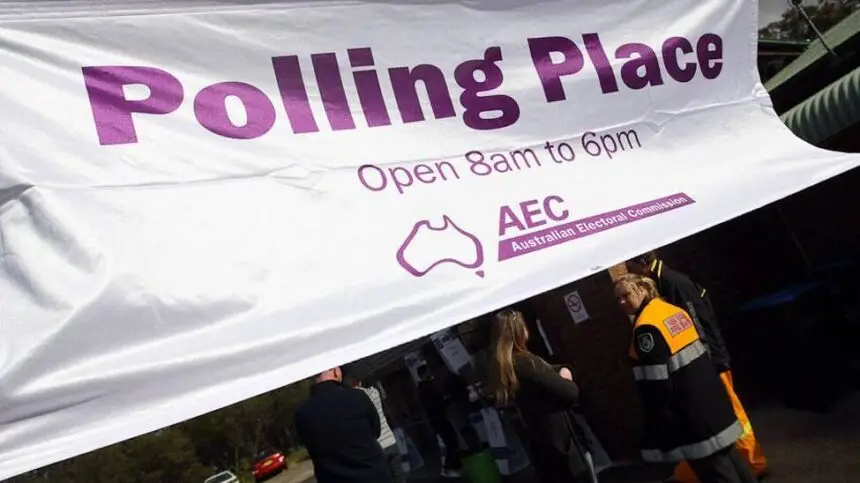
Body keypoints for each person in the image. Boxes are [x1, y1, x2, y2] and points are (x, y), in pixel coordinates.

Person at [626, 252, 769, 481]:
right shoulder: (665, 282)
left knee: (733, 419)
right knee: (722, 430)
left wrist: (706, 365)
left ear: (642, 264)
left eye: (630, 266)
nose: (628, 270)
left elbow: (696, 323)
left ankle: (754, 462)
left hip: (708, 363)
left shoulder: (673, 283)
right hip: (703, 365)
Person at [486, 308, 596, 483]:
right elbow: (569, 393)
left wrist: (559, 369)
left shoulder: (505, 367)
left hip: (540, 440)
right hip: (559, 442)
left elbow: (547, 374)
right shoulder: (527, 363)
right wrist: (565, 374)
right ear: (519, 330)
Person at [295, 367, 394, 483]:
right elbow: (376, 431)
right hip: (373, 474)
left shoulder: (302, 413)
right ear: (335, 371)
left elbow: (307, 446)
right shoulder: (357, 396)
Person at [343, 372, 406, 483]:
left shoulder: (351, 403)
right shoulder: (374, 392)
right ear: (359, 383)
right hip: (390, 441)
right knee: (399, 476)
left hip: (376, 448)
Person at [416, 364, 465, 478]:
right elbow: (435, 404)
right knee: (451, 442)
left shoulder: (424, 388)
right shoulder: (427, 389)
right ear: (425, 373)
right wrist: (446, 400)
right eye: (428, 371)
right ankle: (449, 467)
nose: (430, 373)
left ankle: (453, 466)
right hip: (439, 418)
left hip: (437, 419)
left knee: (451, 441)